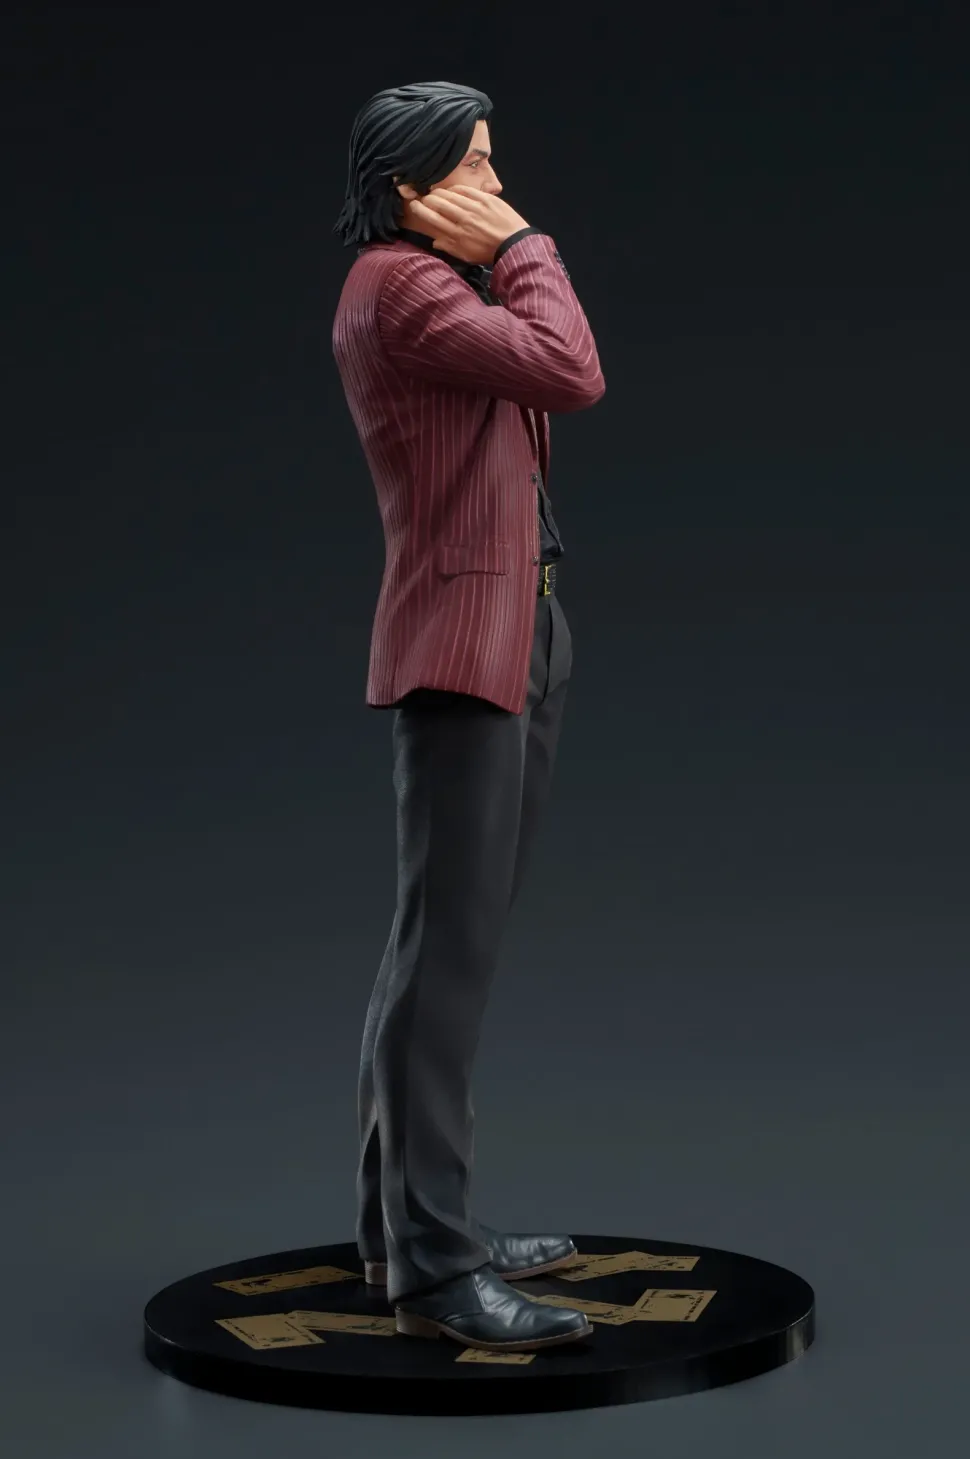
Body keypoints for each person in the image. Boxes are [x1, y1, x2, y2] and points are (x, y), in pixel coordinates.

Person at [331, 80, 605, 1353]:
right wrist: (526, 245)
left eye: (498, 168)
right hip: (466, 645)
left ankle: (401, 1229)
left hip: (511, 632)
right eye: (476, 169)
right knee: (442, 962)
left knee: (442, 948)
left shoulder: (431, 285)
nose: (498, 189)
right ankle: (435, 1265)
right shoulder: (405, 287)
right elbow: (571, 370)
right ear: (411, 188)